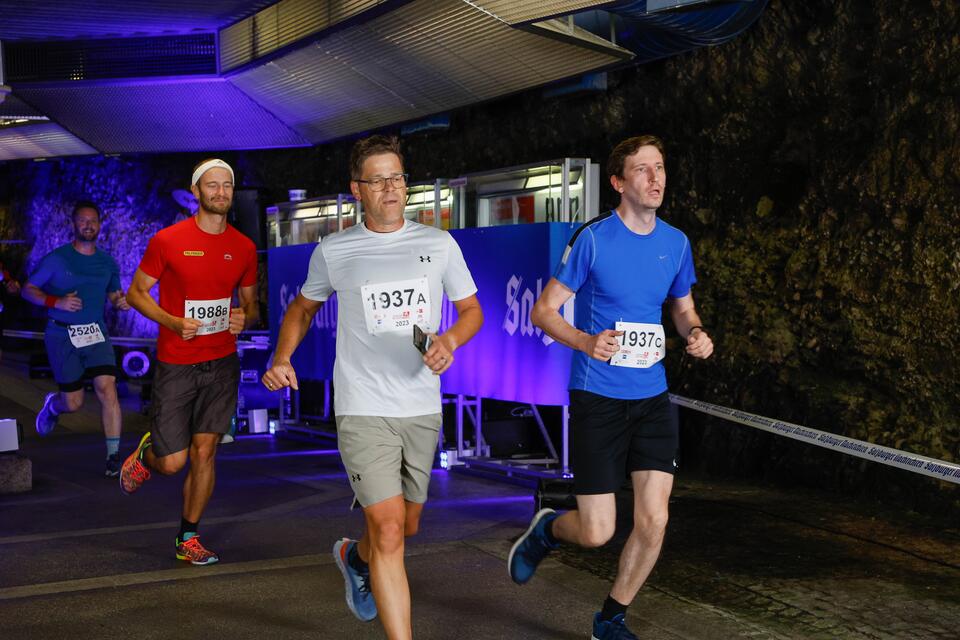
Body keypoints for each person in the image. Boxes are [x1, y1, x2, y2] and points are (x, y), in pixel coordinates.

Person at [261, 135, 482, 640]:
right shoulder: (336, 250)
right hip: (362, 406)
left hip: (420, 404)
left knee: (406, 526)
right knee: (387, 529)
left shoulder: (437, 243)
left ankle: (352, 557)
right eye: (379, 179)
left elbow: (472, 312)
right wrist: (281, 356)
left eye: (398, 177)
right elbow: (302, 308)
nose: (391, 187)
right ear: (356, 189)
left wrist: (449, 340)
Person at [507, 135, 714, 640]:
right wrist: (584, 341)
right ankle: (549, 528)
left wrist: (697, 333)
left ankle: (611, 617)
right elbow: (543, 310)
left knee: (654, 520)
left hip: (652, 400)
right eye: (642, 170)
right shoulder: (594, 239)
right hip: (598, 398)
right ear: (619, 183)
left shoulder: (676, 243)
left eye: (660, 167)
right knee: (597, 531)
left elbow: (682, 309)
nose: (655, 178)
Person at [119, 159, 258, 566]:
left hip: (221, 364)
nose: (220, 192)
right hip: (176, 362)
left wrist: (243, 317)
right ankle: (147, 455)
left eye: (226, 186)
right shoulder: (168, 240)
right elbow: (137, 293)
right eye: (211, 186)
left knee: (205, 453)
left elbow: (251, 307)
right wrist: (173, 322)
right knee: (172, 462)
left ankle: (188, 537)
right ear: (195, 192)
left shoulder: (244, 247)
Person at [22, 201, 130, 477]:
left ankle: (113, 456)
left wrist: (120, 302)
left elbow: (114, 294)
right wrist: (54, 301)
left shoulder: (107, 262)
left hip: (95, 334)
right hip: (62, 335)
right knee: (74, 403)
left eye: (93, 220)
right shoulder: (58, 259)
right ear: (74, 224)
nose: (88, 225)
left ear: (99, 225)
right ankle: (53, 406)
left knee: (107, 387)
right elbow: (28, 289)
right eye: (83, 220)